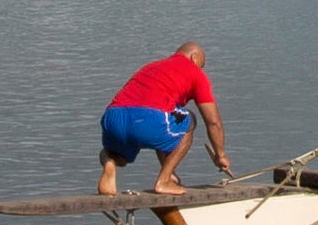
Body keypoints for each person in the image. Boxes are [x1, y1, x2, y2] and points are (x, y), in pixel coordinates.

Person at [96, 41, 230, 196]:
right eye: (202, 64)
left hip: (113, 118)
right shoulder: (195, 73)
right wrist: (220, 155)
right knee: (188, 120)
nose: (201, 68)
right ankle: (164, 181)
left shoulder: (151, 66)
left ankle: (109, 162)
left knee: (120, 158)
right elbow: (213, 121)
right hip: (148, 120)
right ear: (194, 57)